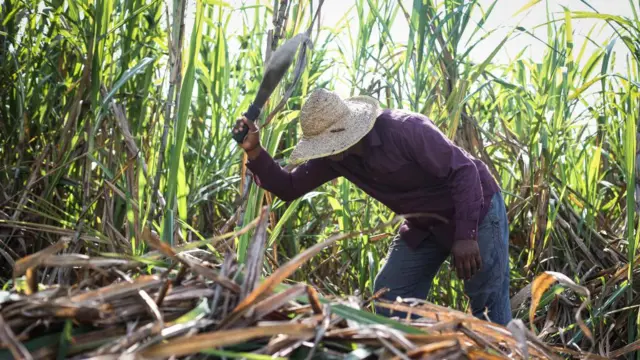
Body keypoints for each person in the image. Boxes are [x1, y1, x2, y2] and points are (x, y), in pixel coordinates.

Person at [232, 88, 512, 325]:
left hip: (475, 211)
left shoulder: (406, 130)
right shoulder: (335, 157)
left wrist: (466, 235)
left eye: (329, 143)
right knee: (390, 297)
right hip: (424, 224)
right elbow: (289, 187)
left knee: (487, 303)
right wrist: (254, 151)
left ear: (349, 129)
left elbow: (464, 172)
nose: (327, 150)